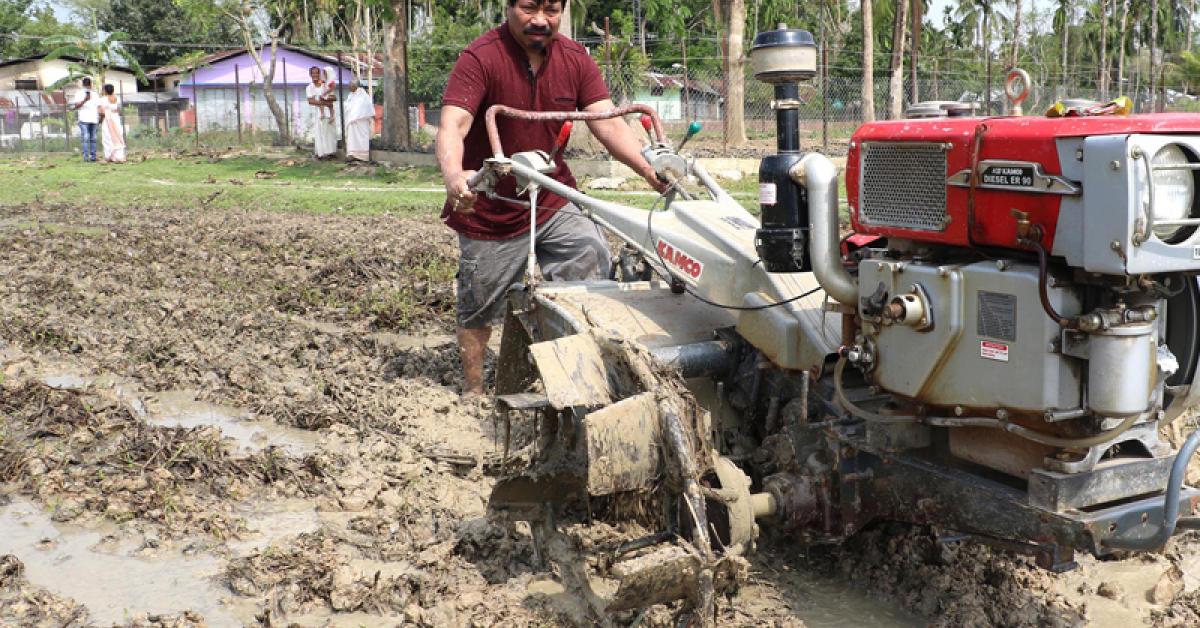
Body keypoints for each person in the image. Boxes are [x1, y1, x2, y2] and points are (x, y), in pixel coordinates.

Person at [436, 0, 667, 397]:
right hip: (492, 204)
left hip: (552, 197)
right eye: (529, 8)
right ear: (509, 7)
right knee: (480, 297)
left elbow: (607, 122)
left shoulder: (576, 60)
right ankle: (473, 389)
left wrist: (650, 170)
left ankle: (578, 371)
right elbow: (453, 125)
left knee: (589, 253)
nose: (540, 20)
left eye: (551, 9)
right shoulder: (480, 57)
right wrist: (455, 177)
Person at [305, 66, 337, 159]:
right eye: (313, 73)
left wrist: (326, 100)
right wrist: (325, 102)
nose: (315, 75)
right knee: (321, 132)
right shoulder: (309, 87)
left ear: (320, 74)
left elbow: (334, 98)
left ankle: (331, 153)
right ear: (310, 74)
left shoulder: (325, 84)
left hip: (329, 112)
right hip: (319, 113)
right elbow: (311, 101)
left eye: (317, 73)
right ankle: (321, 153)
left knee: (330, 132)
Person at [344, 79, 374, 162]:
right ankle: (352, 155)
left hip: (360, 122)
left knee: (361, 139)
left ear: (355, 86)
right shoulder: (351, 95)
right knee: (352, 139)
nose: (349, 87)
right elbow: (348, 106)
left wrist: (356, 115)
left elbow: (365, 107)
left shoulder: (363, 95)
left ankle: (362, 156)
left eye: (350, 85)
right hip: (351, 121)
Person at [71, 77, 99, 162]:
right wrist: (85, 100)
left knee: (93, 138)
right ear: (90, 84)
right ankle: (86, 157)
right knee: (86, 138)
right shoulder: (79, 93)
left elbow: (98, 106)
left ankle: (93, 157)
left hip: (93, 118)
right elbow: (76, 106)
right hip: (84, 119)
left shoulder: (95, 94)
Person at [98, 84, 126, 163]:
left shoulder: (103, 99)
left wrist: (100, 120)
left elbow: (101, 112)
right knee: (118, 135)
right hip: (116, 119)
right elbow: (119, 109)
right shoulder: (118, 98)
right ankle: (119, 156)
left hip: (107, 120)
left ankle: (109, 156)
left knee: (107, 137)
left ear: (105, 91)